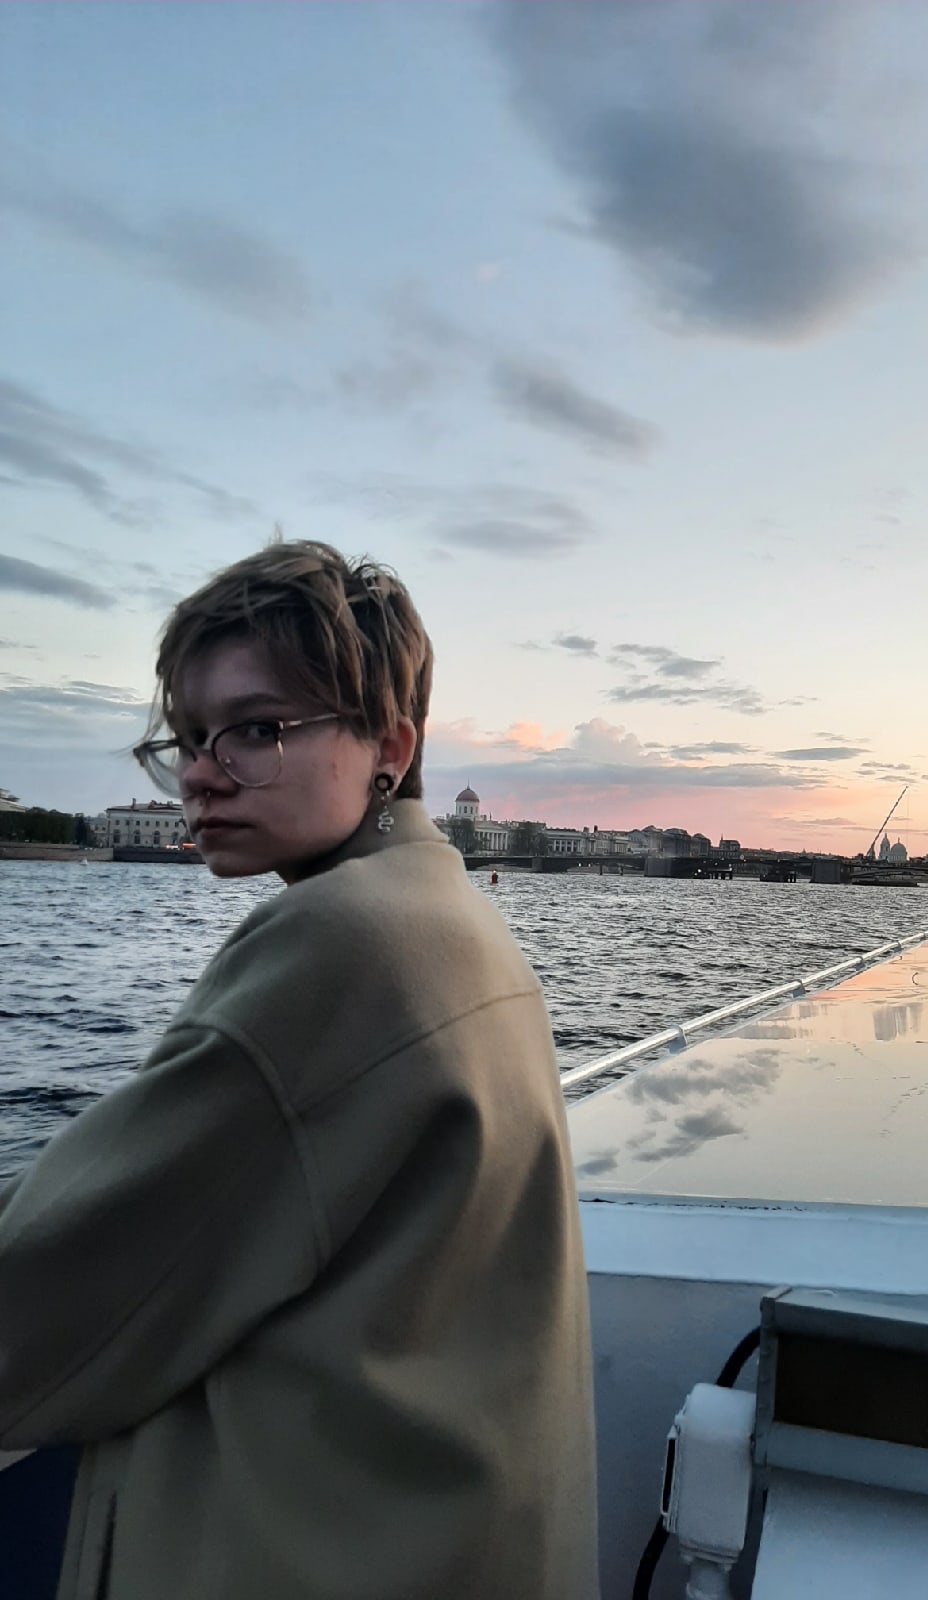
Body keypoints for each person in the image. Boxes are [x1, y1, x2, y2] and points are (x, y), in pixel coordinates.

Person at [0, 540, 599, 1600]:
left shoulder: (338, 944)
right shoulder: (456, 921)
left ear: (388, 746)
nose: (201, 772)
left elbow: (50, 1295)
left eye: (256, 729)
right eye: (189, 738)